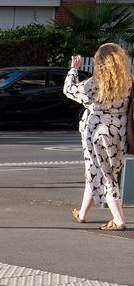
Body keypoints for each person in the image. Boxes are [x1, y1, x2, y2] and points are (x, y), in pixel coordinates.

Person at [64, 43, 131, 231]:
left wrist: (73, 70)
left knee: (105, 175)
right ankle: (83, 213)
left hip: (96, 133)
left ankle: (118, 220)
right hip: (119, 133)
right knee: (97, 170)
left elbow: (69, 90)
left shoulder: (95, 83)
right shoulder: (128, 82)